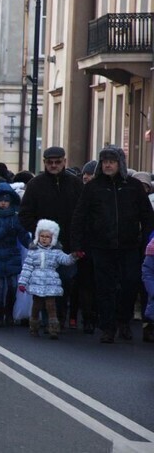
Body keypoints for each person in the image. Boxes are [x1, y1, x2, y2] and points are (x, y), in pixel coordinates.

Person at [72, 145, 154, 343]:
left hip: (129, 246)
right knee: (104, 288)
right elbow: (80, 216)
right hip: (101, 246)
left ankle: (123, 321)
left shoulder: (133, 186)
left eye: (112, 162)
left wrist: (146, 242)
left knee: (130, 284)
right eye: (105, 162)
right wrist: (77, 244)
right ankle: (107, 327)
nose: (108, 165)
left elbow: (147, 216)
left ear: (120, 164)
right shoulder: (93, 187)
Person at [19, 146, 84, 330]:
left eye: (57, 162)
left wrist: (77, 239)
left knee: (65, 280)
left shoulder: (75, 184)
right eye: (50, 162)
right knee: (44, 282)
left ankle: (59, 317)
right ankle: (48, 319)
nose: (54, 165)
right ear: (45, 163)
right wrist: (40, 232)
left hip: (68, 243)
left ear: (64, 162)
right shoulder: (35, 185)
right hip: (43, 246)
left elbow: (83, 213)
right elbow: (24, 214)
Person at [18, 219, 81, 339]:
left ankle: (53, 329)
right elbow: (27, 268)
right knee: (36, 306)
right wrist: (22, 283)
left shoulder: (56, 252)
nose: (44, 239)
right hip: (37, 283)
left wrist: (73, 256)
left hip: (51, 283)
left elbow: (65, 260)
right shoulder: (33, 251)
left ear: (53, 238)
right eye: (42, 236)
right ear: (38, 236)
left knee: (51, 306)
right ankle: (34, 326)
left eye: (47, 237)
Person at [0, 183, 30, 327]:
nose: (3, 203)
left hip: (11, 255)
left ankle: (9, 314)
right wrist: (2, 231)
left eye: (6, 200)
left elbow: (23, 235)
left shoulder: (15, 218)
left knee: (13, 286)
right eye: (1, 200)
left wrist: (32, 245)